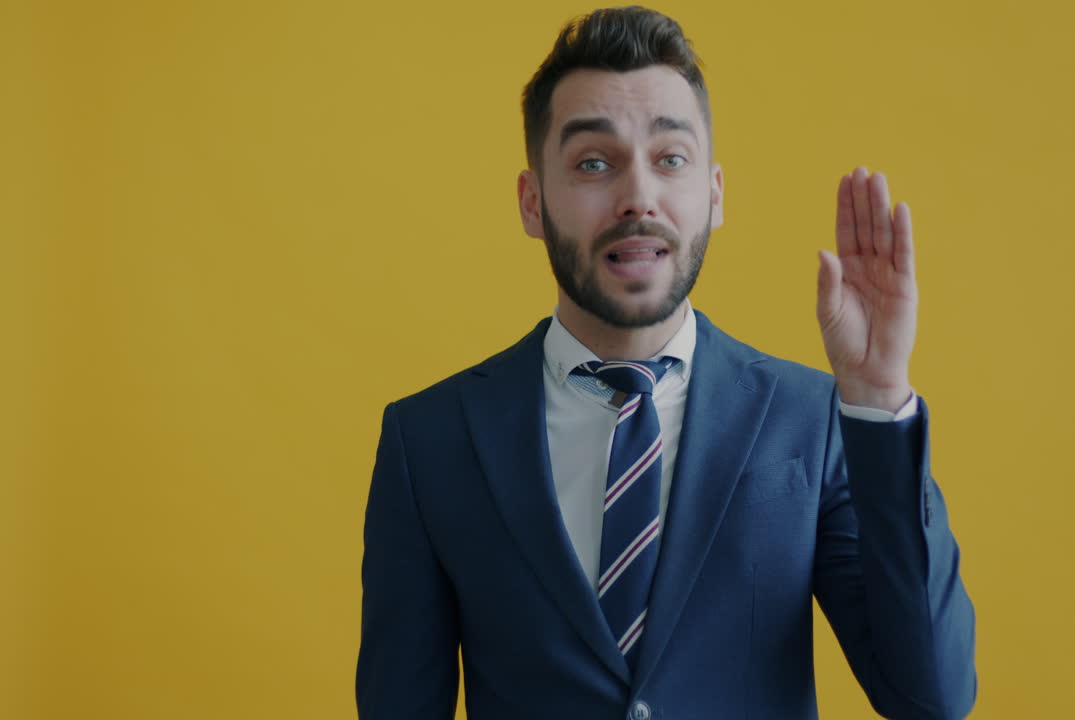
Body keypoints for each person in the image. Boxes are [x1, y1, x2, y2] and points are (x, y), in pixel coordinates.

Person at [356, 7, 976, 719]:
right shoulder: (428, 440)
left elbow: (932, 698)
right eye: (594, 163)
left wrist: (877, 398)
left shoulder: (816, 420)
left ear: (713, 195)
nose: (638, 198)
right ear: (533, 202)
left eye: (669, 160)